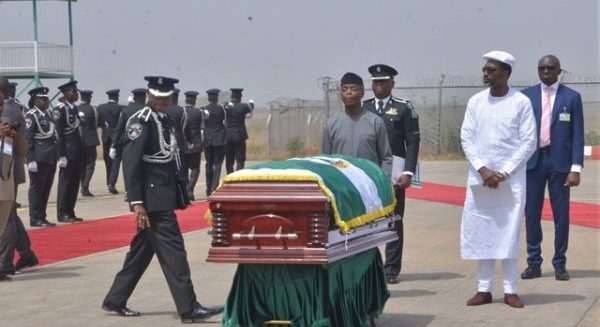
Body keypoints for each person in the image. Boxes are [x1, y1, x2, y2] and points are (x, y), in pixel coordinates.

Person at [102, 76, 223, 323]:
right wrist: (137, 203)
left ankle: (115, 298)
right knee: (175, 254)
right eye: (157, 97)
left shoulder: (166, 119)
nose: (161, 102)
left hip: (163, 195)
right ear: (149, 95)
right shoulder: (141, 122)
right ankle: (189, 308)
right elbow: (131, 164)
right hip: (152, 200)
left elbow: (170, 156)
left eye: (166, 98)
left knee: (141, 252)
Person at [460, 51, 537, 309]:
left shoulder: (521, 102)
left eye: (491, 70)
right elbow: (467, 138)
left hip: (511, 181)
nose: (485, 74)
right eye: (485, 69)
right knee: (482, 232)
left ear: (506, 73)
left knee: (509, 233)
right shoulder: (475, 102)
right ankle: (483, 289)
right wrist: (483, 170)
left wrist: (503, 172)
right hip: (480, 178)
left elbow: (528, 142)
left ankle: (510, 290)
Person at [520, 55, 585, 281]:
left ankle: (559, 262)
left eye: (550, 68)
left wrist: (575, 168)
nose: (546, 71)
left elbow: (578, 135)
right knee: (531, 215)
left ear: (559, 71)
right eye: (541, 68)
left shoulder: (572, 97)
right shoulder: (525, 97)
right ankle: (533, 262)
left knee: (561, 215)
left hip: (560, 165)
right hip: (533, 163)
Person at [364, 64, 420, 284]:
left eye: (383, 82)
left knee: (394, 220)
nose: (379, 86)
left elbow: (413, 142)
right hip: (368, 174)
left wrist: (408, 171)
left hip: (395, 174)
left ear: (392, 84)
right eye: (375, 82)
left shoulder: (404, 108)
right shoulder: (364, 108)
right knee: (366, 222)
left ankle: (391, 270)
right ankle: (370, 267)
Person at [0, 77, 39, 277]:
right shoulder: (16, 109)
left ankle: (4, 263)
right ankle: (26, 252)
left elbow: (15, 147)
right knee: (10, 214)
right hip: (11, 168)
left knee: (5, 217)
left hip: (5, 170)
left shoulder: (7, 113)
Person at [322, 72, 393, 177]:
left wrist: (382, 182)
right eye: (344, 89)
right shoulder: (331, 124)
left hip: (369, 184)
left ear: (362, 92)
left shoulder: (375, 122)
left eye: (354, 89)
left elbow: (386, 158)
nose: (349, 93)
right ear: (341, 93)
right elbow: (325, 160)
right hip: (342, 184)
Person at [0, 82, 28, 281]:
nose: (1, 108)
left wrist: (14, 136)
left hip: (5, 182)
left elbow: (22, 151)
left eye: (1, 104)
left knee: (4, 226)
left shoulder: (6, 122)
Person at [25, 87, 58, 228]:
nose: (46, 101)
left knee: (46, 188)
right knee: (37, 189)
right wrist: (30, 159)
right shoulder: (31, 116)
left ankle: (42, 216)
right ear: (35, 100)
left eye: (46, 99)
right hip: (38, 157)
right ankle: (35, 217)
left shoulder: (47, 115)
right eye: (43, 99)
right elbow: (28, 139)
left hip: (50, 157)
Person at [54, 80, 84, 223]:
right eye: (73, 91)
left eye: (76, 91)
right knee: (65, 183)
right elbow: (58, 133)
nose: (76, 93)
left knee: (74, 183)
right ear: (65, 93)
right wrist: (61, 155)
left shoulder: (74, 109)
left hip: (77, 151)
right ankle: (62, 212)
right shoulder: (60, 109)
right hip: (67, 151)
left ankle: (70, 210)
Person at [97, 89, 122, 194]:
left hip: (106, 135)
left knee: (107, 161)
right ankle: (112, 183)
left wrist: (104, 126)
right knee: (116, 161)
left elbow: (98, 121)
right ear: (116, 97)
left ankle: (108, 181)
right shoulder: (119, 108)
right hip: (116, 136)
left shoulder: (101, 107)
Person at [202, 88, 227, 196]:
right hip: (219, 138)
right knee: (218, 163)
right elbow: (224, 121)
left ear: (208, 98)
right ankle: (214, 186)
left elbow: (202, 124)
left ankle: (208, 187)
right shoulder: (221, 109)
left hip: (208, 138)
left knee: (209, 163)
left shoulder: (203, 109)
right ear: (217, 98)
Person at [224, 88, 253, 174]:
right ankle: (238, 177)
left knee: (229, 159)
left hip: (228, 136)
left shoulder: (226, 106)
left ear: (232, 96)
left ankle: (230, 177)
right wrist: (251, 103)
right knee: (240, 159)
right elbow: (250, 109)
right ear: (239, 97)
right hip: (239, 135)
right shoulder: (243, 106)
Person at [182, 91, 204, 201]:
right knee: (195, 168)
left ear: (186, 100)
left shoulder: (181, 111)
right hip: (195, 143)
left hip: (183, 145)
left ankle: (186, 189)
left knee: (184, 169)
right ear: (194, 101)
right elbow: (202, 129)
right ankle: (190, 188)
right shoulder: (199, 112)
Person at [78, 90, 100, 197]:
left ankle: (83, 185)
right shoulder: (92, 109)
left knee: (81, 164)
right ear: (89, 98)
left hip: (79, 140)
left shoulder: (76, 108)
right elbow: (95, 123)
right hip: (90, 140)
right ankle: (85, 187)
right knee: (90, 164)